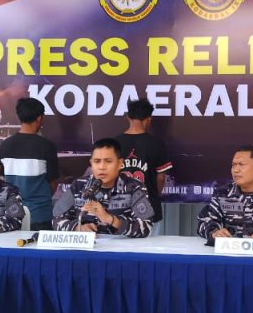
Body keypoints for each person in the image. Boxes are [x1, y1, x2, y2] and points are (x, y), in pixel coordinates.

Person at [52, 138, 154, 237]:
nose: (101, 167)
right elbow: (56, 219)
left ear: (120, 164)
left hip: (121, 247)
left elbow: (146, 227)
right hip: (88, 247)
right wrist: (77, 228)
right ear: (91, 163)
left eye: (108, 161)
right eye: (97, 161)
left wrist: (111, 219)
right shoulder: (78, 185)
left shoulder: (134, 187)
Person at [0, 97, 60, 231]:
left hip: (11, 216)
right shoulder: (47, 146)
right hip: (40, 215)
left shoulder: (4, 145)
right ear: (39, 118)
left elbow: (1, 179)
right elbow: (53, 183)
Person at [115, 98, 173, 234]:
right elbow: (161, 178)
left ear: (128, 117)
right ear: (148, 119)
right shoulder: (157, 143)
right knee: (150, 246)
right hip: (149, 206)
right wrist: (154, 194)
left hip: (119, 207)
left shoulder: (114, 143)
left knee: (118, 246)